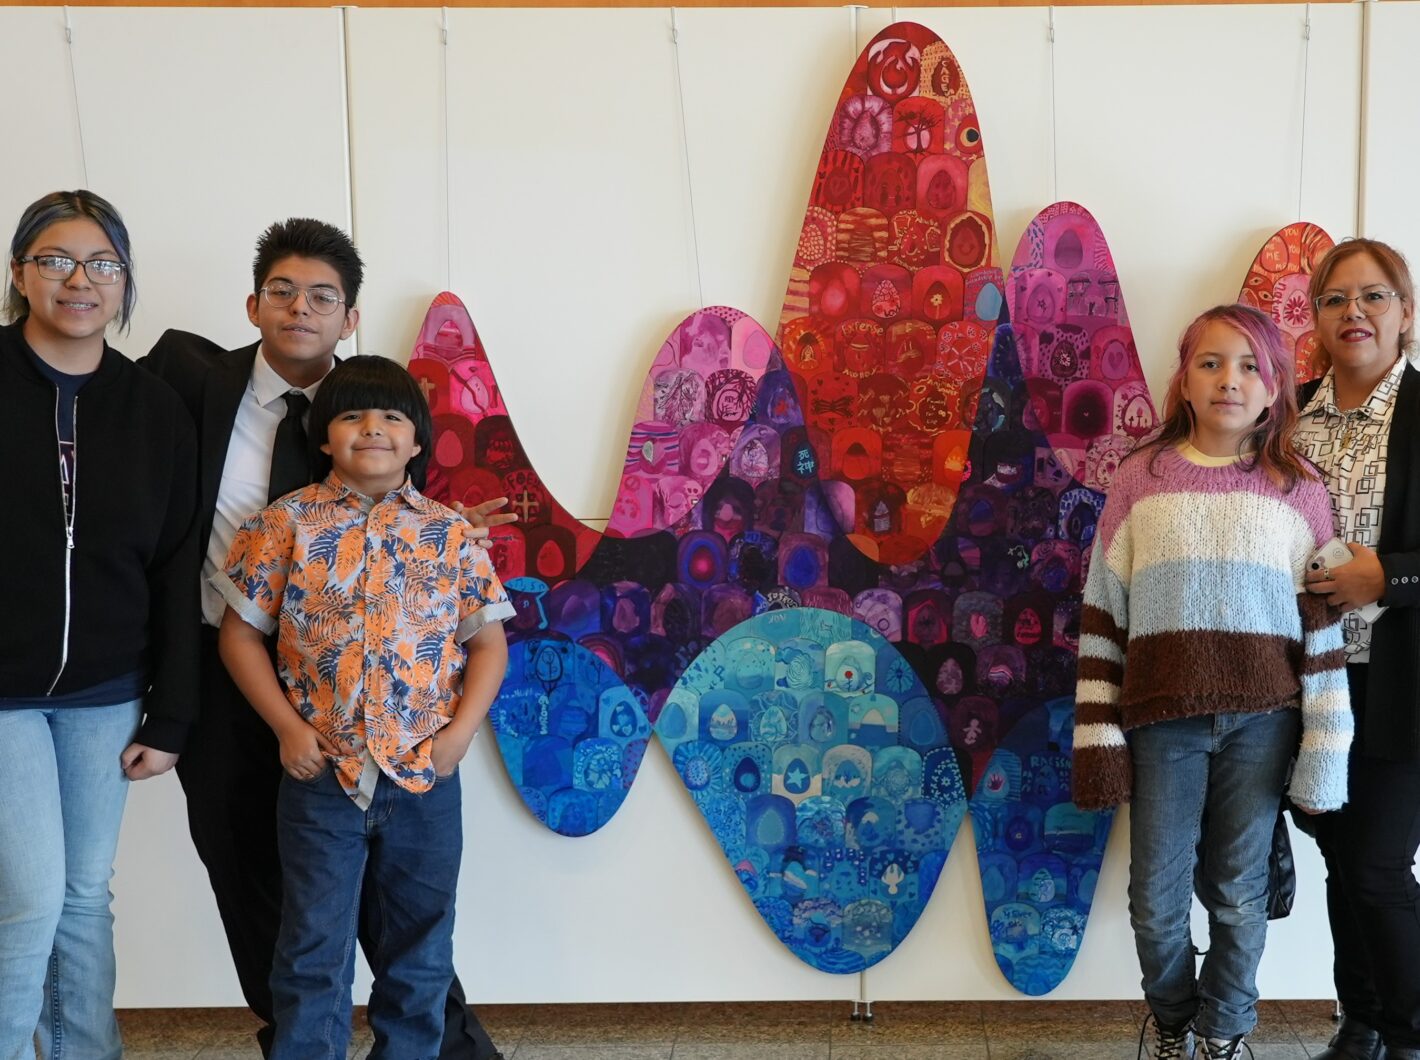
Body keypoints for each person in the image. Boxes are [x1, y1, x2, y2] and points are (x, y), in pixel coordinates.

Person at [142, 218, 512, 1058]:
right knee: (257, 880)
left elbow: (430, 563)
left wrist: (445, 532)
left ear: (349, 316)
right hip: (235, 668)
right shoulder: (191, 382)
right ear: (254, 304)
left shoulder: (373, 413)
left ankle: (443, 1047)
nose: (300, 309)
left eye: (322, 297)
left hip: (391, 714)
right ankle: (298, 1040)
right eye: (282, 291)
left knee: (407, 910)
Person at [1072, 304, 1353, 1060]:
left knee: (1237, 893)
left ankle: (1223, 1030)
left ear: (1275, 389)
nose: (1231, 379)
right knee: (1154, 904)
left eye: (1251, 366)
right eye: (1212, 363)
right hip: (1161, 722)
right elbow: (1103, 612)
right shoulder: (1139, 480)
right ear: (1185, 381)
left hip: (1265, 723)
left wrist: (1325, 748)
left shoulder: (1299, 489)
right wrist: (1097, 738)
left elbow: (1322, 626)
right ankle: (1172, 1022)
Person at [214, 354, 512, 1057]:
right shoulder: (284, 524)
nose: (372, 428)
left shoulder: (450, 534)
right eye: (351, 415)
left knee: (421, 948)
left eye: (392, 417)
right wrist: (287, 729)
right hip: (321, 777)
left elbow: (489, 645)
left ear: (417, 441)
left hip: (424, 779)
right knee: (311, 948)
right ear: (324, 437)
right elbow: (238, 636)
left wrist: (459, 736)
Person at [0, 190, 199, 1059]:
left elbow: (177, 568)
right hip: (2, 694)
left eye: (102, 264)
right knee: (30, 898)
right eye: (55, 260)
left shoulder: (154, 408)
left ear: (123, 281)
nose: (79, 280)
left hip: (108, 692)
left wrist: (172, 714)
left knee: (84, 894)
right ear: (20, 274)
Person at [1297, 237, 1420, 1060]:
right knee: (1342, 860)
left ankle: (1408, 1035)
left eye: (1374, 295)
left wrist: (1392, 576)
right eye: (1336, 298)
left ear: (1405, 313)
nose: (1355, 312)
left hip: (1400, 681)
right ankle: (1364, 1019)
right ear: (1315, 318)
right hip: (1306, 680)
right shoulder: (1286, 415)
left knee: (1376, 864)